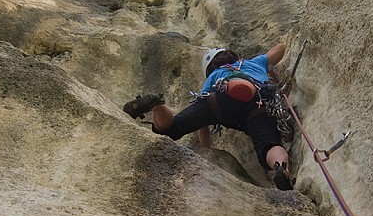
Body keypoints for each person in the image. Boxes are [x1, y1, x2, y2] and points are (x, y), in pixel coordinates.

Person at [123, 43, 294, 190]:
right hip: (258, 105)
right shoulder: (253, 63)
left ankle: (156, 103)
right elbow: (280, 48)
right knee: (268, 145)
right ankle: (280, 167)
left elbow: (202, 121)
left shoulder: (213, 76)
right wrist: (268, 66)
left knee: (174, 127)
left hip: (219, 101)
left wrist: (206, 150)